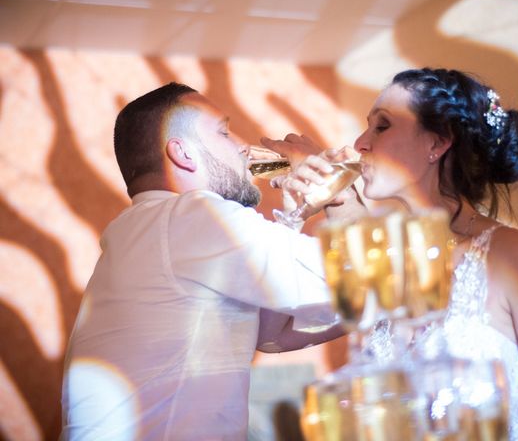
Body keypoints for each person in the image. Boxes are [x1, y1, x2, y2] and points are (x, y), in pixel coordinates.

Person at [265, 68, 518, 440]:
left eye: (382, 125)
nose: (360, 142)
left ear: (437, 144)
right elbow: (274, 336)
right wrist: (295, 213)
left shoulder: (512, 254)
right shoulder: (386, 260)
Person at [60, 82, 343, 440]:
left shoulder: (149, 228)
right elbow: (354, 275)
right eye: (224, 132)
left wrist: (295, 215)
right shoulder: (193, 215)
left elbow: (273, 334)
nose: (243, 147)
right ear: (183, 153)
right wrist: (334, 180)